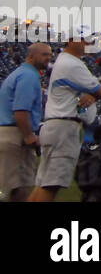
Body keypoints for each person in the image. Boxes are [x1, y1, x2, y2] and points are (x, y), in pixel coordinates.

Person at [28, 36, 101, 202]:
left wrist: (90, 94)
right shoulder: (72, 64)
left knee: (42, 184)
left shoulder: (63, 61)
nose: (87, 44)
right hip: (65, 127)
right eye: (83, 40)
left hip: (54, 125)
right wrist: (93, 93)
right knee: (51, 186)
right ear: (71, 40)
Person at [0, 42, 51, 202]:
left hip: (9, 132)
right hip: (16, 134)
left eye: (49, 55)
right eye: (44, 54)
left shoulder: (20, 73)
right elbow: (21, 111)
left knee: (12, 187)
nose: (48, 58)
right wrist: (29, 136)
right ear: (31, 55)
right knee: (16, 188)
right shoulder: (28, 76)